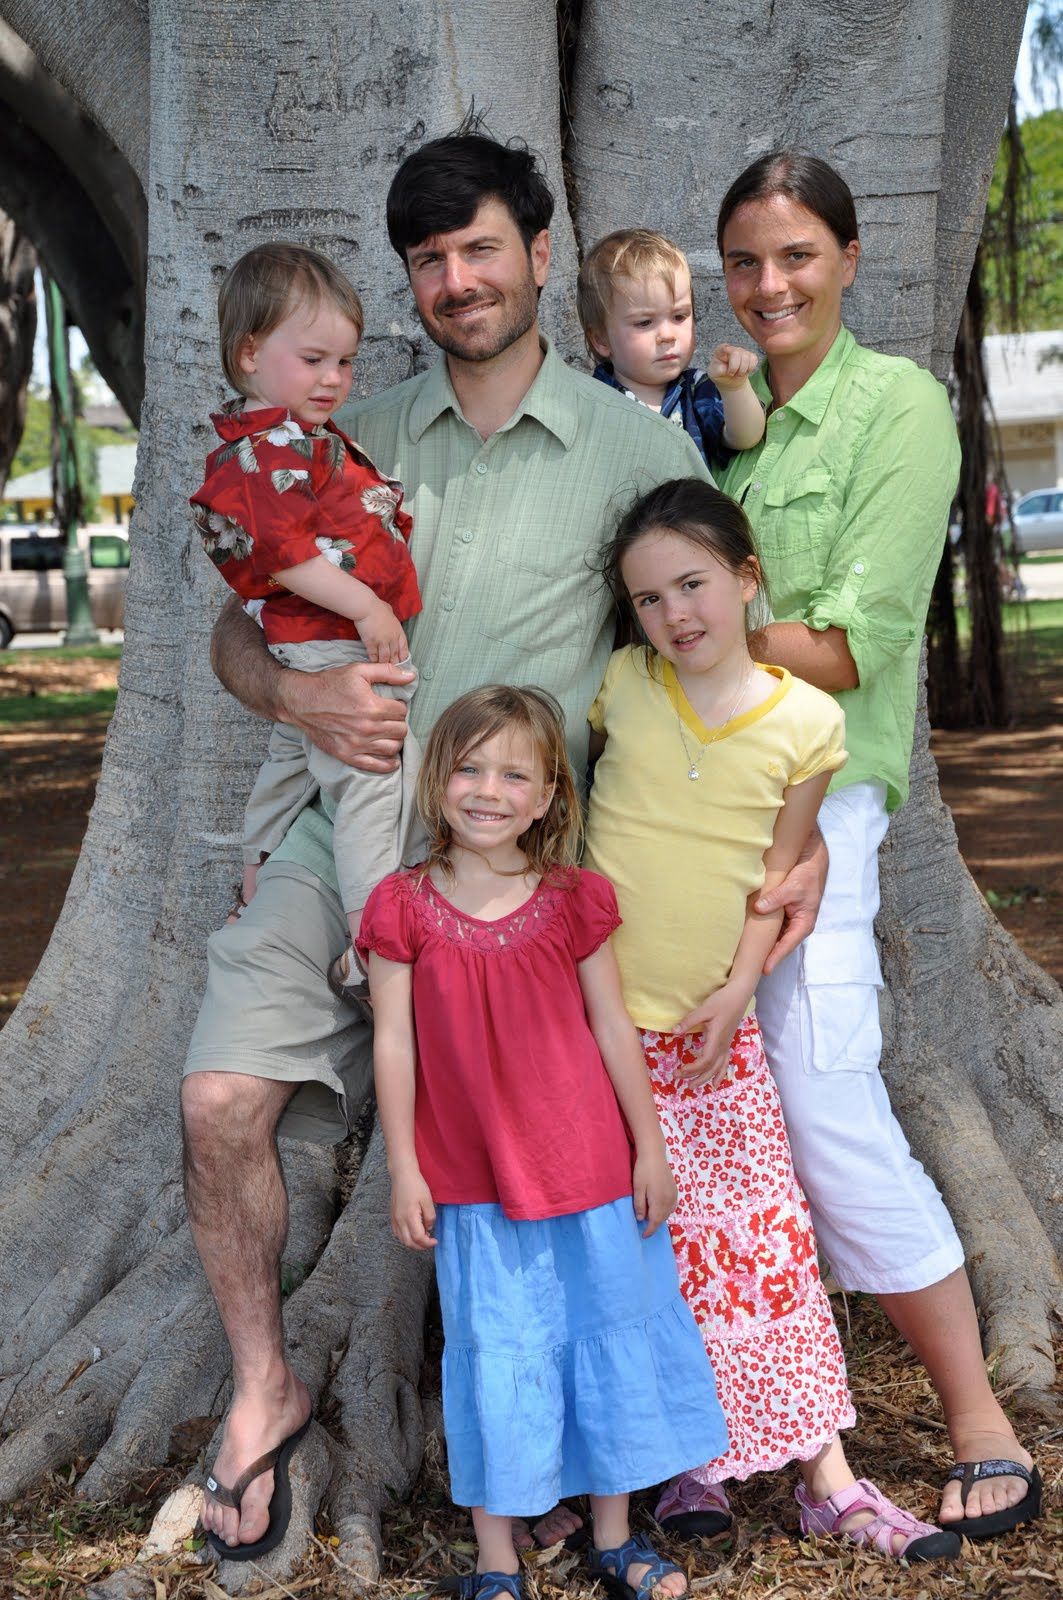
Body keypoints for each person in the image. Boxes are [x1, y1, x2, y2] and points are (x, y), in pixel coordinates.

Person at [183, 128, 793, 1559]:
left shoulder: (636, 450)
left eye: (479, 248)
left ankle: (575, 1468)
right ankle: (264, 1385)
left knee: (549, 1186)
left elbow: (714, 659)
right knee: (218, 1101)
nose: (456, 279)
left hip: (513, 888)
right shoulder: (348, 428)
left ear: (537, 252)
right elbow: (235, 625)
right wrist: (295, 695)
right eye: (428, 259)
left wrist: (802, 832)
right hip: (336, 835)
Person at [714, 150, 1038, 1538]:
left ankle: (976, 1417)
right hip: (678, 808)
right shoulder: (711, 422)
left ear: (847, 260)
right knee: (701, 1111)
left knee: (823, 1095)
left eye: (795, 254)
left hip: (820, 805)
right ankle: (761, 1431)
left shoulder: (894, 407)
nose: (769, 283)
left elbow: (852, 646)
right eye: (744, 260)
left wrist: (687, 622)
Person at [584, 478, 960, 1563]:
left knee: (758, 1240)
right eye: (648, 599)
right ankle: (687, 1457)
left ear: (747, 578)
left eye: (692, 584)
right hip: (595, 1029)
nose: (674, 614)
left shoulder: (806, 721)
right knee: (648, 1247)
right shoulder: (623, 685)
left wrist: (739, 987)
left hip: (710, 1029)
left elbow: (782, 877)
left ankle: (824, 1473)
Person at [360, 684, 728, 1600]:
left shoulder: (573, 899)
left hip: (590, 1169)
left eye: (513, 775)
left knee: (604, 1338)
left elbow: (612, 1028)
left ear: (547, 796)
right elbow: (394, 1042)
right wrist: (405, 1167)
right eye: (469, 769)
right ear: (436, 780)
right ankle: (497, 1562)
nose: (488, 790)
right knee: (496, 1351)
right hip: (474, 1181)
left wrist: (649, 1148)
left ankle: (614, 1538)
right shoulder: (401, 905)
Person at [189, 242, 422, 980]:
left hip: (311, 636)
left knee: (291, 760)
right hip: (327, 638)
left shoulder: (298, 440)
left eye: (344, 362)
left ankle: (255, 876)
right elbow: (286, 556)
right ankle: (371, 938)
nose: (333, 378)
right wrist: (370, 609)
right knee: (370, 776)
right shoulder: (266, 452)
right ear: (249, 353)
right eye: (314, 359)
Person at [576, 228, 765, 466]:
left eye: (679, 316)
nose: (667, 335)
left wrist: (734, 387)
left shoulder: (696, 391)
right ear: (601, 339)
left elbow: (745, 437)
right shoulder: (589, 401)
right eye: (644, 322)